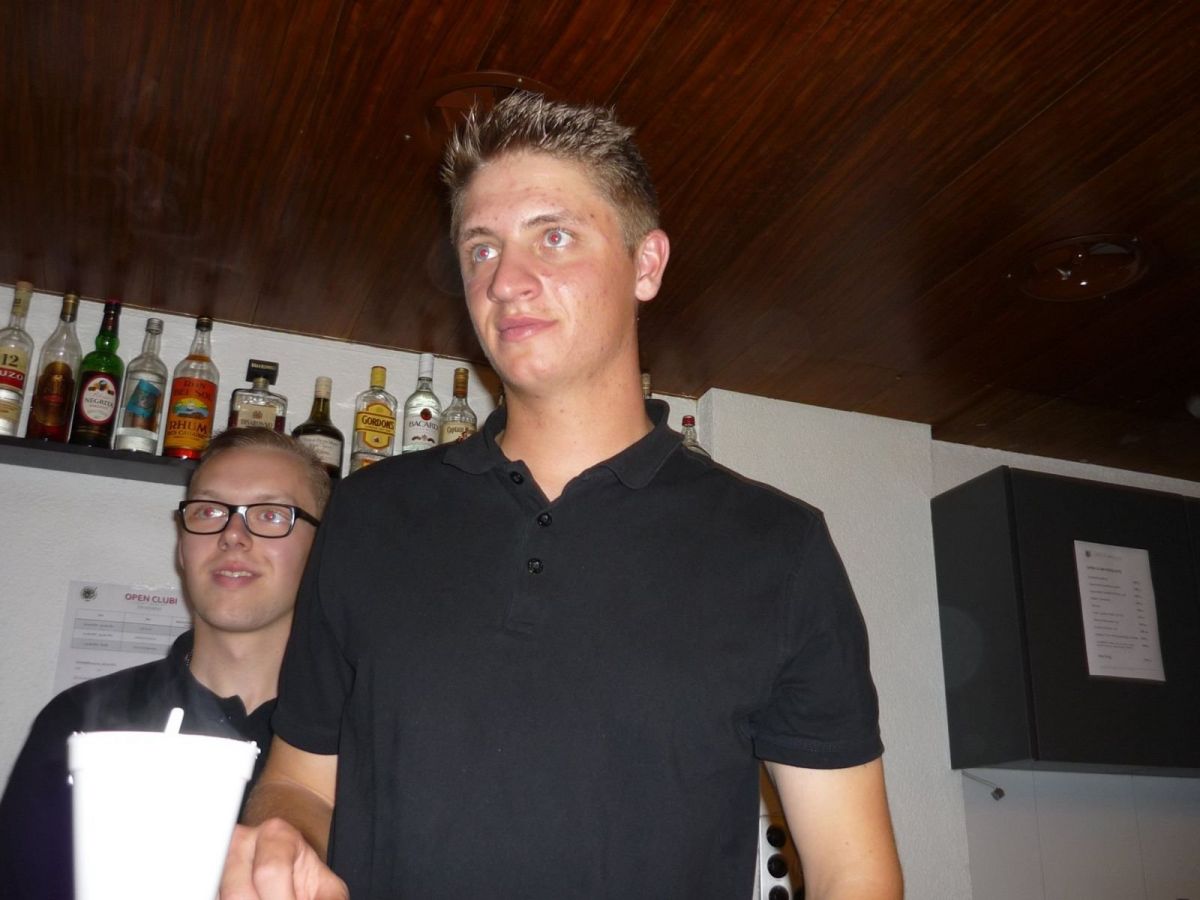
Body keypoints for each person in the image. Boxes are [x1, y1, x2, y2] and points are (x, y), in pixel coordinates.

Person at [222, 93, 903, 899]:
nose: (505, 281)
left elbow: (853, 870)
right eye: (481, 249)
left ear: (646, 264)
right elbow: (301, 781)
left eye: (553, 236)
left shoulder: (779, 549)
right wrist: (279, 840)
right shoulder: (367, 515)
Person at [0, 427, 330, 900]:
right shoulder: (77, 721)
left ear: (323, 549)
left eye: (271, 514)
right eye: (208, 511)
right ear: (181, 544)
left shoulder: (359, 740)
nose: (232, 535)